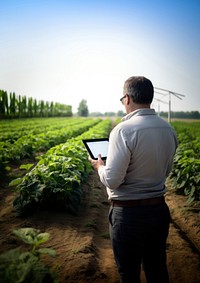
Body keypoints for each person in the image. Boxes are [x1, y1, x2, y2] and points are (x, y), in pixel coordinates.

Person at [90, 76, 178, 283]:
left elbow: (112, 180)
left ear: (127, 98)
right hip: (158, 211)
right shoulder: (168, 129)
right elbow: (166, 171)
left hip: (128, 215)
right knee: (157, 269)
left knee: (129, 273)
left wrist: (100, 167)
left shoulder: (123, 130)